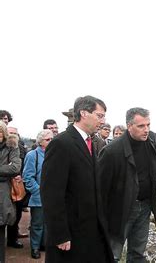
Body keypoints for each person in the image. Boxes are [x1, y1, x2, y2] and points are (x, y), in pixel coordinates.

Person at [41, 95, 113, 263]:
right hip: (71, 232)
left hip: (90, 230)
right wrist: (59, 234)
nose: (103, 121)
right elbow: (51, 193)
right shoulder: (61, 143)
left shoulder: (90, 142)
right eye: (99, 115)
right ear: (83, 113)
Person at [98, 107, 156, 262]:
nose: (146, 130)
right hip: (120, 210)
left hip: (145, 206)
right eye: (141, 126)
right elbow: (100, 189)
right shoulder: (111, 151)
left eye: (148, 125)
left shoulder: (153, 142)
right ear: (129, 126)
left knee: (137, 254)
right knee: (111, 254)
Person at [22, 129, 53, 259]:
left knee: (48, 223)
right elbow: (27, 177)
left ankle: (43, 244)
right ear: (40, 141)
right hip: (38, 196)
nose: (51, 142)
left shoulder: (54, 154)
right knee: (37, 223)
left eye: (52, 139)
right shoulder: (32, 155)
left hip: (52, 196)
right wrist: (38, 190)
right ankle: (35, 247)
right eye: (48, 140)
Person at [0, 121, 21, 262]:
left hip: (3, 192)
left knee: (1, 226)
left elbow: (15, 168)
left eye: (0, 131)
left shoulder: (12, 146)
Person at [7, 126, 28, 249]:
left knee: (17, 213)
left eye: (15, 133)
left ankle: (12, 238)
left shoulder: (20, 148)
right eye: (10, 133)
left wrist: (21, 175)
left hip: (17, 183)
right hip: (6, 183)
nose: (13, 136)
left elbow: (24, 164)